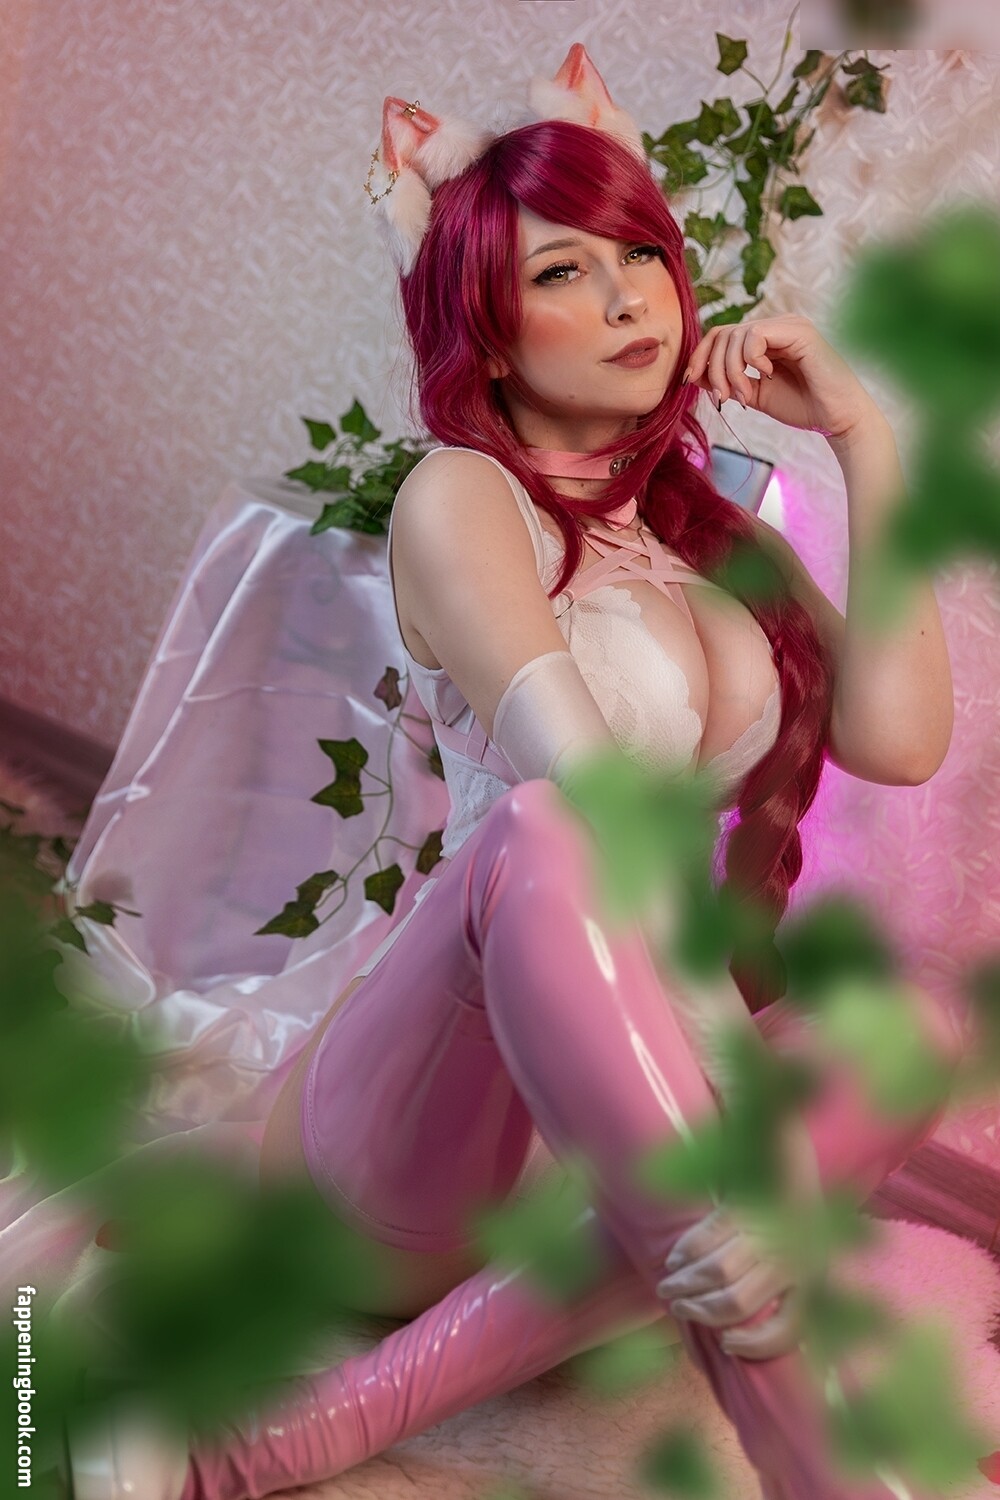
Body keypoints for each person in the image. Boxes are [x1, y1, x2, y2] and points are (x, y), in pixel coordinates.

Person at [68, 42, 960, 1500]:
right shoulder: (461, 496)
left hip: (626, 1126)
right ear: (482, 331)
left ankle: (292, 1438)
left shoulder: (713, 539)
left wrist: (864, 438)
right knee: (550, 830)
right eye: (562, 272)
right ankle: (824, 1462)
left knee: (909, 1026)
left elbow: (903, 742)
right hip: (432, 1138)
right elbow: (594, 799)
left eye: (642, 255)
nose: (629, 299)